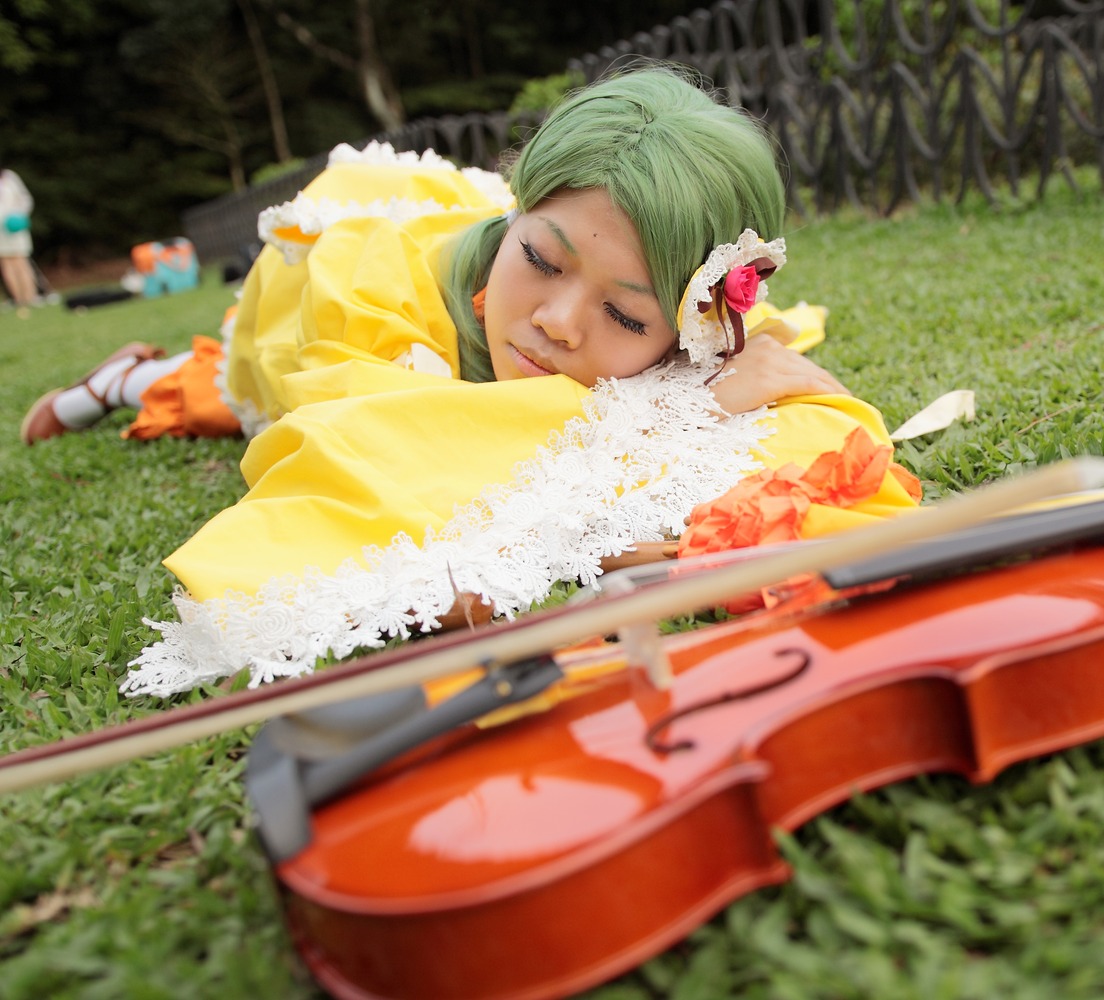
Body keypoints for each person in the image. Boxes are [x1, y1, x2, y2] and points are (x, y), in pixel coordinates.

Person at [22, 67, 923, 696]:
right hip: (290, 319)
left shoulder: (698, 326)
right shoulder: (368, 294)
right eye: (540, 257)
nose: (558, 322)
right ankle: (129, 381)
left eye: (624, 318)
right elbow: (386, 468)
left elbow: (825, 438)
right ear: (518, 212)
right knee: (223, 393)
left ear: (689, 324)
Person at [0, 164, 39, 313]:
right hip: (0, 231)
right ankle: (18, 300)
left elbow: (25, 198)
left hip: (15, 226)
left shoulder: (9, 177)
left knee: (21, 260)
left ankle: (31, 297)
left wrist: (20, 215)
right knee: (6, 262)